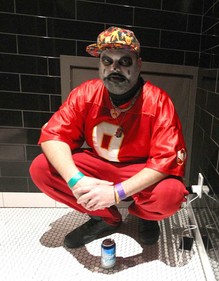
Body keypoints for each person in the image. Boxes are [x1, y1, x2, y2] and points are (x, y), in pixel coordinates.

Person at [29, 26, 189, 248]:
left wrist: (116, 193)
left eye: (124, 61)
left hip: (139, 169)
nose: (114, 68)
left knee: (171, 194)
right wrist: (77, 180)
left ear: (138, 64)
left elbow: (165, 161)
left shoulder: (159, 101)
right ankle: (105, 217)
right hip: (99, 166)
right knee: (41, 169)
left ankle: (144, 215)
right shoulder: (86, 93)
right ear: (100, 64)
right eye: (107, 61)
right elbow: (54, 135)